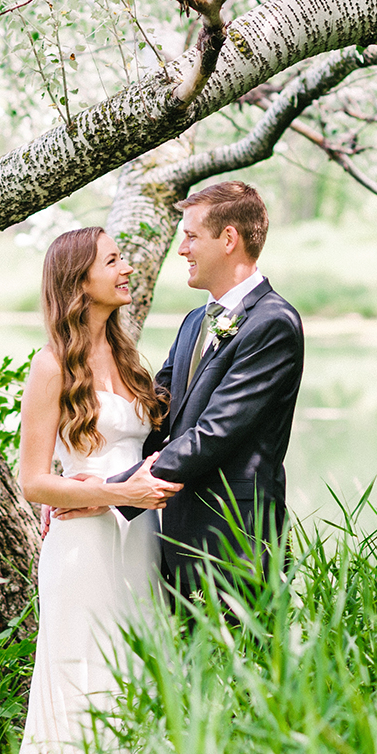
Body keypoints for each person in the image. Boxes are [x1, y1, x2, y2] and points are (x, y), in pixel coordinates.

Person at [0, 226, 181, 754]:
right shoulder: (51, 365)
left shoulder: (129, 359)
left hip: (141, 549)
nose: (127, 268)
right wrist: (111, 494)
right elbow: (32, 482)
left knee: (132, 677)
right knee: (84, 682)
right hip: (87, 549)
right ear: (80, 281)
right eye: (114, 260)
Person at [108, 181, 304, 602]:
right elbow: (157, 412)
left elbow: (214, 433)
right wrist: (89, 477)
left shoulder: (272, 323)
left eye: (191, 236)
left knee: (239, 665)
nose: (182, 249)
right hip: (177, 535)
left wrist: (115, 493)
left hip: (236, 539)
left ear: (228, 238)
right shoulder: (195, 322)